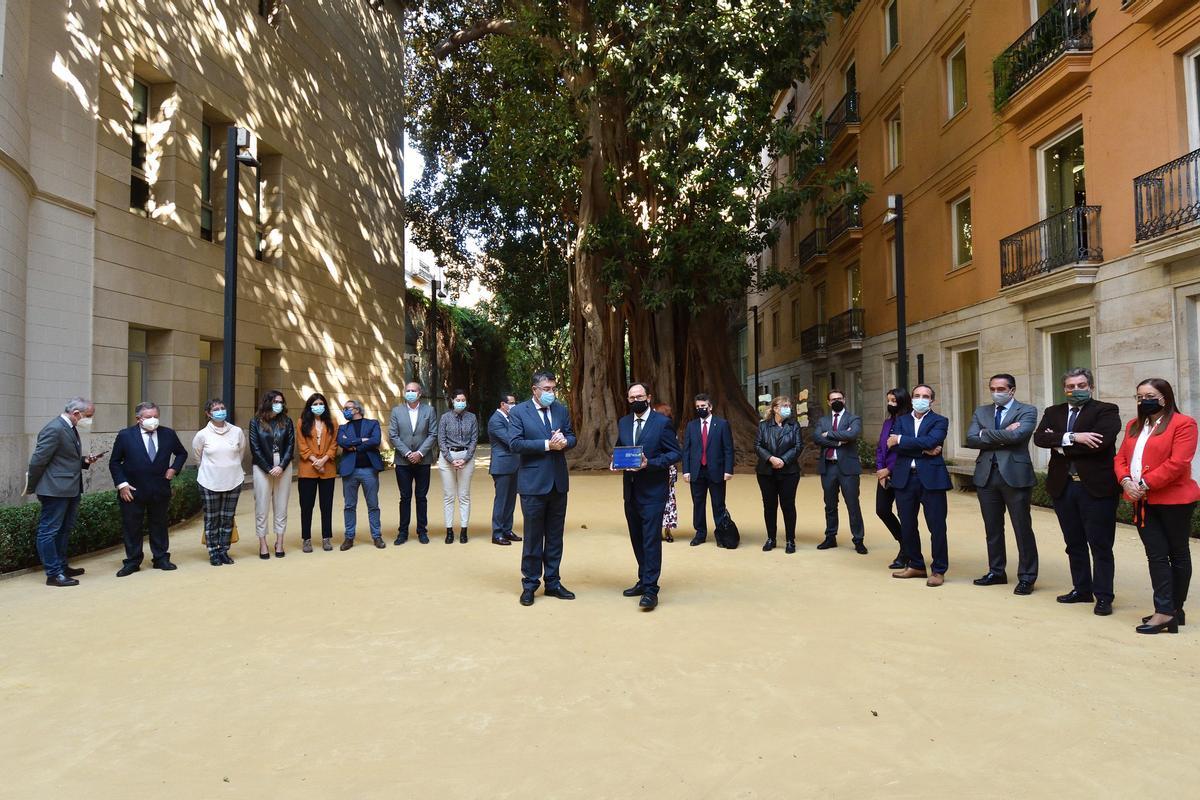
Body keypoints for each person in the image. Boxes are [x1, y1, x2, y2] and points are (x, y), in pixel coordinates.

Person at [1032, 368, 1122, 617]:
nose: (1076, 390)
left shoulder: (1106, 410)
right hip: (1064, 487)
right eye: (1070, 386)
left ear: (1091, 386)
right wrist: (1075, 437)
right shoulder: (1053, 412)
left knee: (1100, 545)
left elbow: (1100, 444)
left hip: (1096, 489)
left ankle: (1103, 596)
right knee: (1073, 543)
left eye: (1081, 385)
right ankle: (1082, 589)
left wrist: (1060, 443)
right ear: (1064, 389)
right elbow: (1039, 439)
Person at [1113, 379, 1200, 634]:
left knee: (1178, 554)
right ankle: (1166, 610)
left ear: (1165, 397)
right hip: (1143, 501)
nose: (1144, 401)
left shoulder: (1183, 424)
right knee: (1156, 555)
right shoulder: (1134, 425)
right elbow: (1120, 458)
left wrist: (1144, 483)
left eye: (1150, 395)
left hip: (1174, 500)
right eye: (1140, 397)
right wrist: (1126, 481)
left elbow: (1178, 462)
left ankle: (1171, 610)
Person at [964, 374, 1039, 595]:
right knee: (992, 528)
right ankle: (996, 572)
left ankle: (1027, 577)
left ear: (1012, 390)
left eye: (1001, 389)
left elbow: (1019, 436)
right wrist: (1005, 433)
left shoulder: (1027, 410)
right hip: (986, 476)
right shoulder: (981, 411)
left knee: (1022, 528)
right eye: (993, 389)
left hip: (1015, 475)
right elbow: (971, 439)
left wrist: (985, 434)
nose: (996, 393)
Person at [509, 370, 576, 606]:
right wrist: (548, 444)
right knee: (533, 536)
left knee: (555, 536)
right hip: (533, 485)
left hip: (558, 483)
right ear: (534, 390)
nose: (551, 393)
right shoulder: (519, 412)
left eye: (554, 389)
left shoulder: (560, 410)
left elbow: (572, 436)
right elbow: (515, 443)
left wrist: (565, 442)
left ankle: (553, 582)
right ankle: (530, 584)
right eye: (547, 389)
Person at [612, 386, 681, 611]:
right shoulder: (624, 422)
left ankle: (651, 589)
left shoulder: (661, 423)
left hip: (653, 492)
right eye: (632, 397)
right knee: (637, 537)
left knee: (651, 540)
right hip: (630, 491)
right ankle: (643, 579)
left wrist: (649, 464)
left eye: (639, 396)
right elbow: (620, 448)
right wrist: (615, 461)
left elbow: (675, 453)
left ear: (648, 398)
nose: (636, 400)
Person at [26, 397, 100, 586]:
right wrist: (32, 486)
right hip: (54, 490)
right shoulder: (55, 428)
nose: (89, 420)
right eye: (88, 416)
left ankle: (61, 566)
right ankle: (53, 573)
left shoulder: (69, 427)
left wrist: (84, 461)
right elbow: (38, 461)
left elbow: (64, 459)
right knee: (49, 531)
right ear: (76, 413)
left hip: (69, 488)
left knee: (64, 530)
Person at [108, 401, 188, 576]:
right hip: (132, 490)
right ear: (139, 419)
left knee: (159, 524)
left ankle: (161, 558)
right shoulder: (125, 435)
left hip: (159, 488)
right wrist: (122, 484)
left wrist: (173, 469)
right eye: (148, 417)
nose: (153, 420)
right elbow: (115, 462)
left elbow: (182, 453)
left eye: (155, 416)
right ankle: (132, 561)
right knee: (132, 526)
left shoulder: (168, 434)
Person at [888, 384, 952, 587]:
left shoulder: (940, 420)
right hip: (904, 479)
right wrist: (924, 449)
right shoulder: (901, 420)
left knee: (937, 526)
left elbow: (932, 441)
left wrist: (901, 440)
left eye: (925, 396)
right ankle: (915, 565)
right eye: (917, 395)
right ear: (912, 398)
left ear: (932, 400)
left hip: (932, 479)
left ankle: (938, 570)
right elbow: (893, 447)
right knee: (907, 525)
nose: (920, 399)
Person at [811, 388, 867, 554]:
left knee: (852, 504)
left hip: (848, 468)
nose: (837, 401)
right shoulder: (823, 420)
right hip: (828, 467)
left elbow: (853, 434)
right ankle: (830, 537)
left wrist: (828, 434)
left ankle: (858, 540)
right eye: (833, 399)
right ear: (828, 402)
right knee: (830, 505)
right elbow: (817, 438)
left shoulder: (853, 418)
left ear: (844, 400)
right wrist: (838, 441)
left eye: (839, 398)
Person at [192, 399, 247, 566]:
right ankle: (213, 552)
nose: (220, 411)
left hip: (233, 480)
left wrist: (230, 467)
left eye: (222, 408)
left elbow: (241, 453)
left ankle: (223, 550)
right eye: (216, 409)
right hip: (209, 481)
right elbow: (198, 457)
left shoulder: (236, 431)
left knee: (227, 517)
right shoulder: (202, 434)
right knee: (212, 518)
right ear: (208, 414)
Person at [681, 393, 734, 547]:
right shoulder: (691, 426)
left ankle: (721, 534)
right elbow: (686, 450)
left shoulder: (722, 424)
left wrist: (728, 470)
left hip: (716, 471)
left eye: (703, 406)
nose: (700, 409)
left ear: (710, 407)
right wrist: (686, 471)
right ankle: (700, 533)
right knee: (698, 504)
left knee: (718, 504)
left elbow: (728, 449)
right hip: (697, 471)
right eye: (698, 407)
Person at [388, 381, 436, 544]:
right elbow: (393, 435)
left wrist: (420, 453)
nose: (410, 393)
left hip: (423, 461)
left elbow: (433, 434)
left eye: (413, 390)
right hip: (403, 462)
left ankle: (422, 531)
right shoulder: (397, 411)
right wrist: (408, 453)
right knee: (405, 497)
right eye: (407, 390)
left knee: (421, 497)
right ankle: (403, 532)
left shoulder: (429, 410)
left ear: (419, 393)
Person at [249, 390, 295, 559]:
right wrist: (268, 468)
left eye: (281, 402)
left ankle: (279, 542)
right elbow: (255, 448)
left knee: (281, 505)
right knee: (262, 506)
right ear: (267, 402)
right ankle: (263, 544)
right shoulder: (255, 422)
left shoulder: (287, 421)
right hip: (262, 467)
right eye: (276, 401)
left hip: (284, 467)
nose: (279, 404)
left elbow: (290, 445)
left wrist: (281, 466)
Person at [754, 395, 802, 553]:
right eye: (784, 406)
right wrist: (771, 458)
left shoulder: (794, 425)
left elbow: (798, 446)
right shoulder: (763, 426)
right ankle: (771, 538)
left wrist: (783, 460)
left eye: (789, 406)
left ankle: (790, 540)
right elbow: (757, 445)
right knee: (769, 506)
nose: (788, 408)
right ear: (775, 408)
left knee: (788, 506)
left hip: (789, 472)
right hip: (766, 472)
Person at [338, 399, 386, 549]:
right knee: (349, 506)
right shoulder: (343, 428)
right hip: (349, 471)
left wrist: (354, 445)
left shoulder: (372, 424)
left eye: (347, 408)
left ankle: (377, 536)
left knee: (373, 505)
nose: (345, 411)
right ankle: (349, 537)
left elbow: (375, 440)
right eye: (344, 408)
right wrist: (362, 440)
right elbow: (342, 442)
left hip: (369, 470)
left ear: (357, 409)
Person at [296, 392, 339, 553]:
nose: (318, 406)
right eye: (315, 404)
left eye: (321, 404)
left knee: (326, 505)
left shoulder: (332, 422)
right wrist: (316, 461)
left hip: (327, 469)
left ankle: (326, 537)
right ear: (309, 407)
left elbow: (334, 444)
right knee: (306, 506)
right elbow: (301, 445)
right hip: (308, 469)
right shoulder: (302, 422)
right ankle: (306, 539)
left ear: (325, 406)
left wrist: (324, 460)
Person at [437, 389, 479, 543]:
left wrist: (466, 459)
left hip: (466, 457)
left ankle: (463, 530)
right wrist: (450, 459)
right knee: (449, 496)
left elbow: (474, 440)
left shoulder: (472, 417)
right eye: (458, 400)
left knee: (464, 495)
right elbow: (441, 440)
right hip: (447, 457)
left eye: (463, 400)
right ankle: (449, 530)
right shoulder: (445, 418)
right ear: (452, 401)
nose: (461, 402)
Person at [875, 388, 911, 569]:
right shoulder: (887, 422)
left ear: (903, 402)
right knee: (882, 510)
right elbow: (881, 448)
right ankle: (904, 543)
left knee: (905, 514)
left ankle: (906, 551)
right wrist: (880, 469)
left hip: (902, 473)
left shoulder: (909, 423)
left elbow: (905, 450)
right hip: (884, 475)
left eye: (894, 401)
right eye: (888, 400)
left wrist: (889, 469)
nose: (890, 404)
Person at [487, 392, 523, 546]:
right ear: (503, 404)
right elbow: (510, 440)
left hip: (514, 465)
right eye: (511, 403)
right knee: (501, 500)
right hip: (502, 466)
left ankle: (507, 530)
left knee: (510, 500)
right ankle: (497, 533)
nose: (514, 405)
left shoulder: (509, 418)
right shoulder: (496, 420)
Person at [656, 403, 679, 542]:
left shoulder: (669, 430)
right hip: (654, 468)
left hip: (668, 468)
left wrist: (672, 472)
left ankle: (668, 530)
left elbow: (674, 453)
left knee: (668, 500)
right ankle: (656, 530)